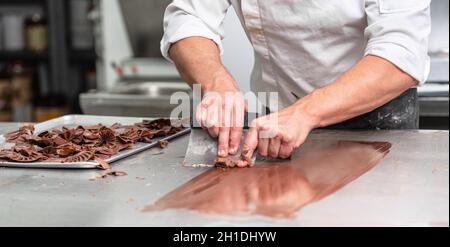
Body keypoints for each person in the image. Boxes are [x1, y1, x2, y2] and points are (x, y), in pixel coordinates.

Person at [161, 0, 431, 163]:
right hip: (277, 128)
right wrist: (216, 81)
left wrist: (306, 112)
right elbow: (189, 17)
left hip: (376, 130)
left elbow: (400, 51)